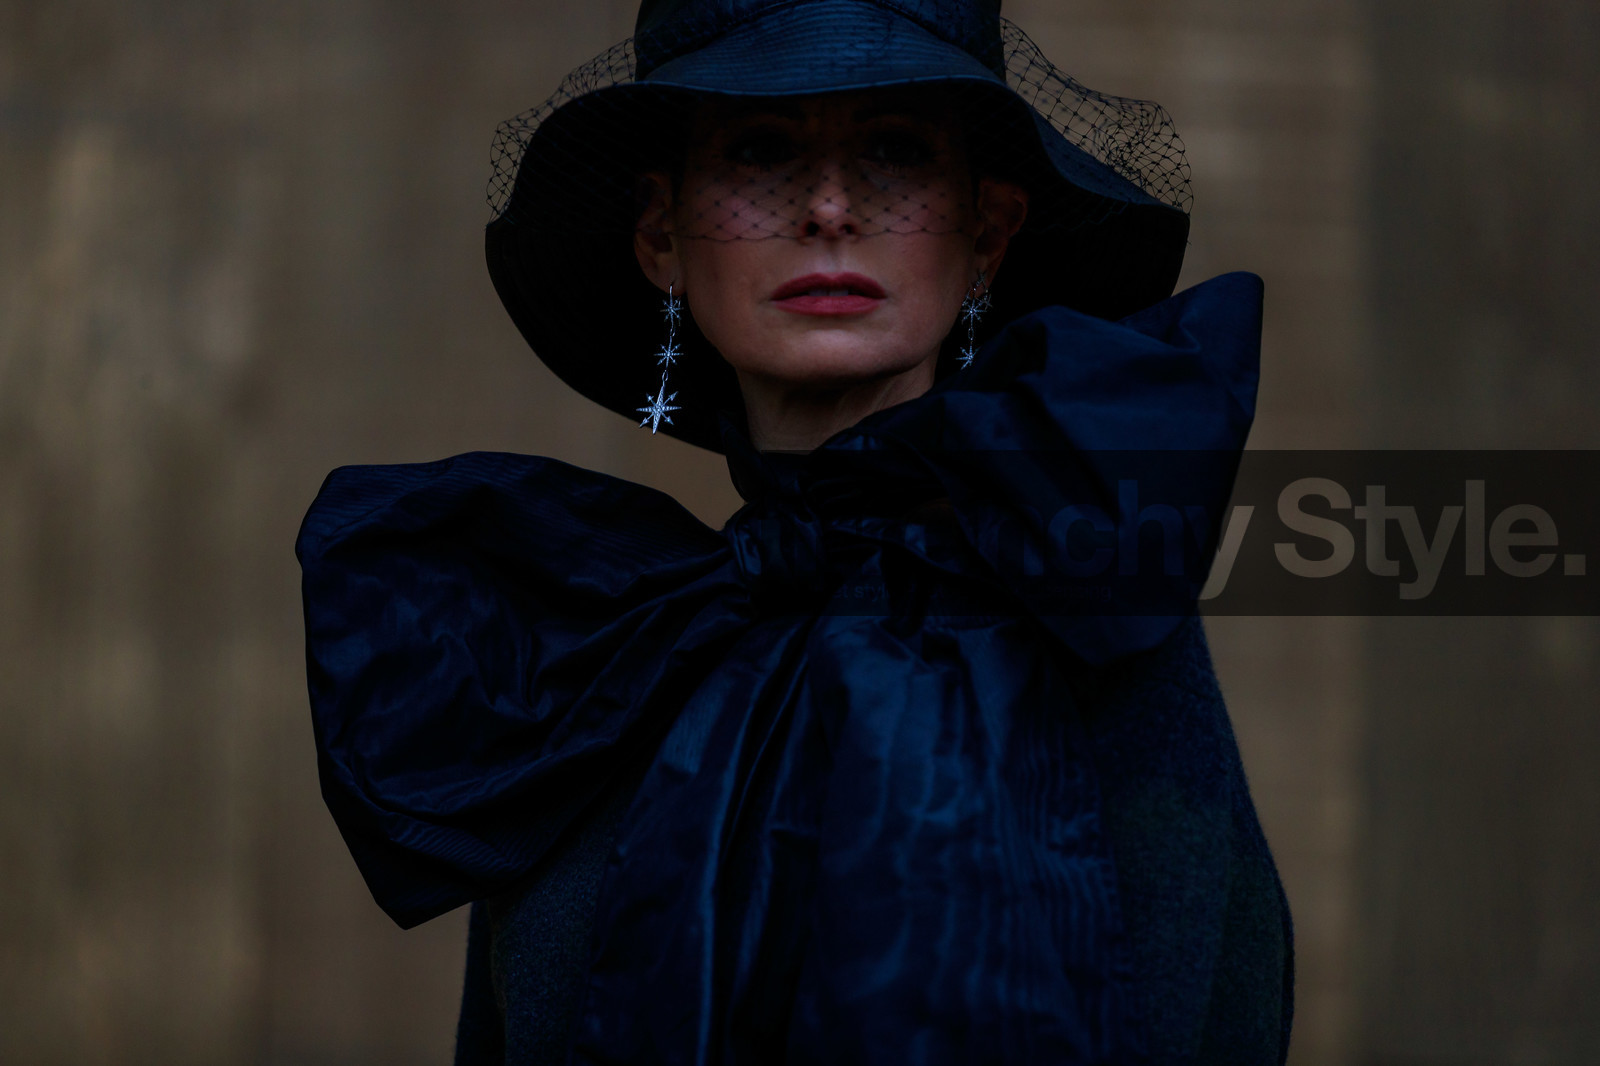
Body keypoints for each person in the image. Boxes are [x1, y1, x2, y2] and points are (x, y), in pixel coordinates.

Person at [297, 1, 1294, 1062]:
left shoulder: (1088, 603)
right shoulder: (607, 660)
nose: (827, 208)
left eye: (895, 151)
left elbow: (1212, 1012)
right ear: (661, 236)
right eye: (760, 151)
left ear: (988, 234)